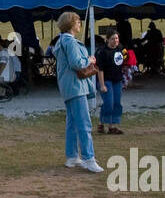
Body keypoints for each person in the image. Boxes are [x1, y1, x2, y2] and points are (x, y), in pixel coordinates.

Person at [54, 11, 104, 172]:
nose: (79, 24)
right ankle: (89, 158)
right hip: (76, 87)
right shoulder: (71, 42)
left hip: (68, 86)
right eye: (77, 22)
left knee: (72, 123)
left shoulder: (62, 41)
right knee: (84, 123)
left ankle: (72, 156)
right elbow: (77, 63)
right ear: (71, 24)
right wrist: (89, 60)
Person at [97, 28, 126, 135]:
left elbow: (125, 56)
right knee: (109, 102)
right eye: (113, 39)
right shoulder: (102, 52)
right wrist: (102, 85)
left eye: (117, 38)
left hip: (117, 80)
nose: (115, 41)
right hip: (106, 80)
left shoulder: (120, 48)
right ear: (107, 39)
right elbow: (100, 70)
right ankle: (102, 122)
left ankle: (112, 126)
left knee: (117, 103)